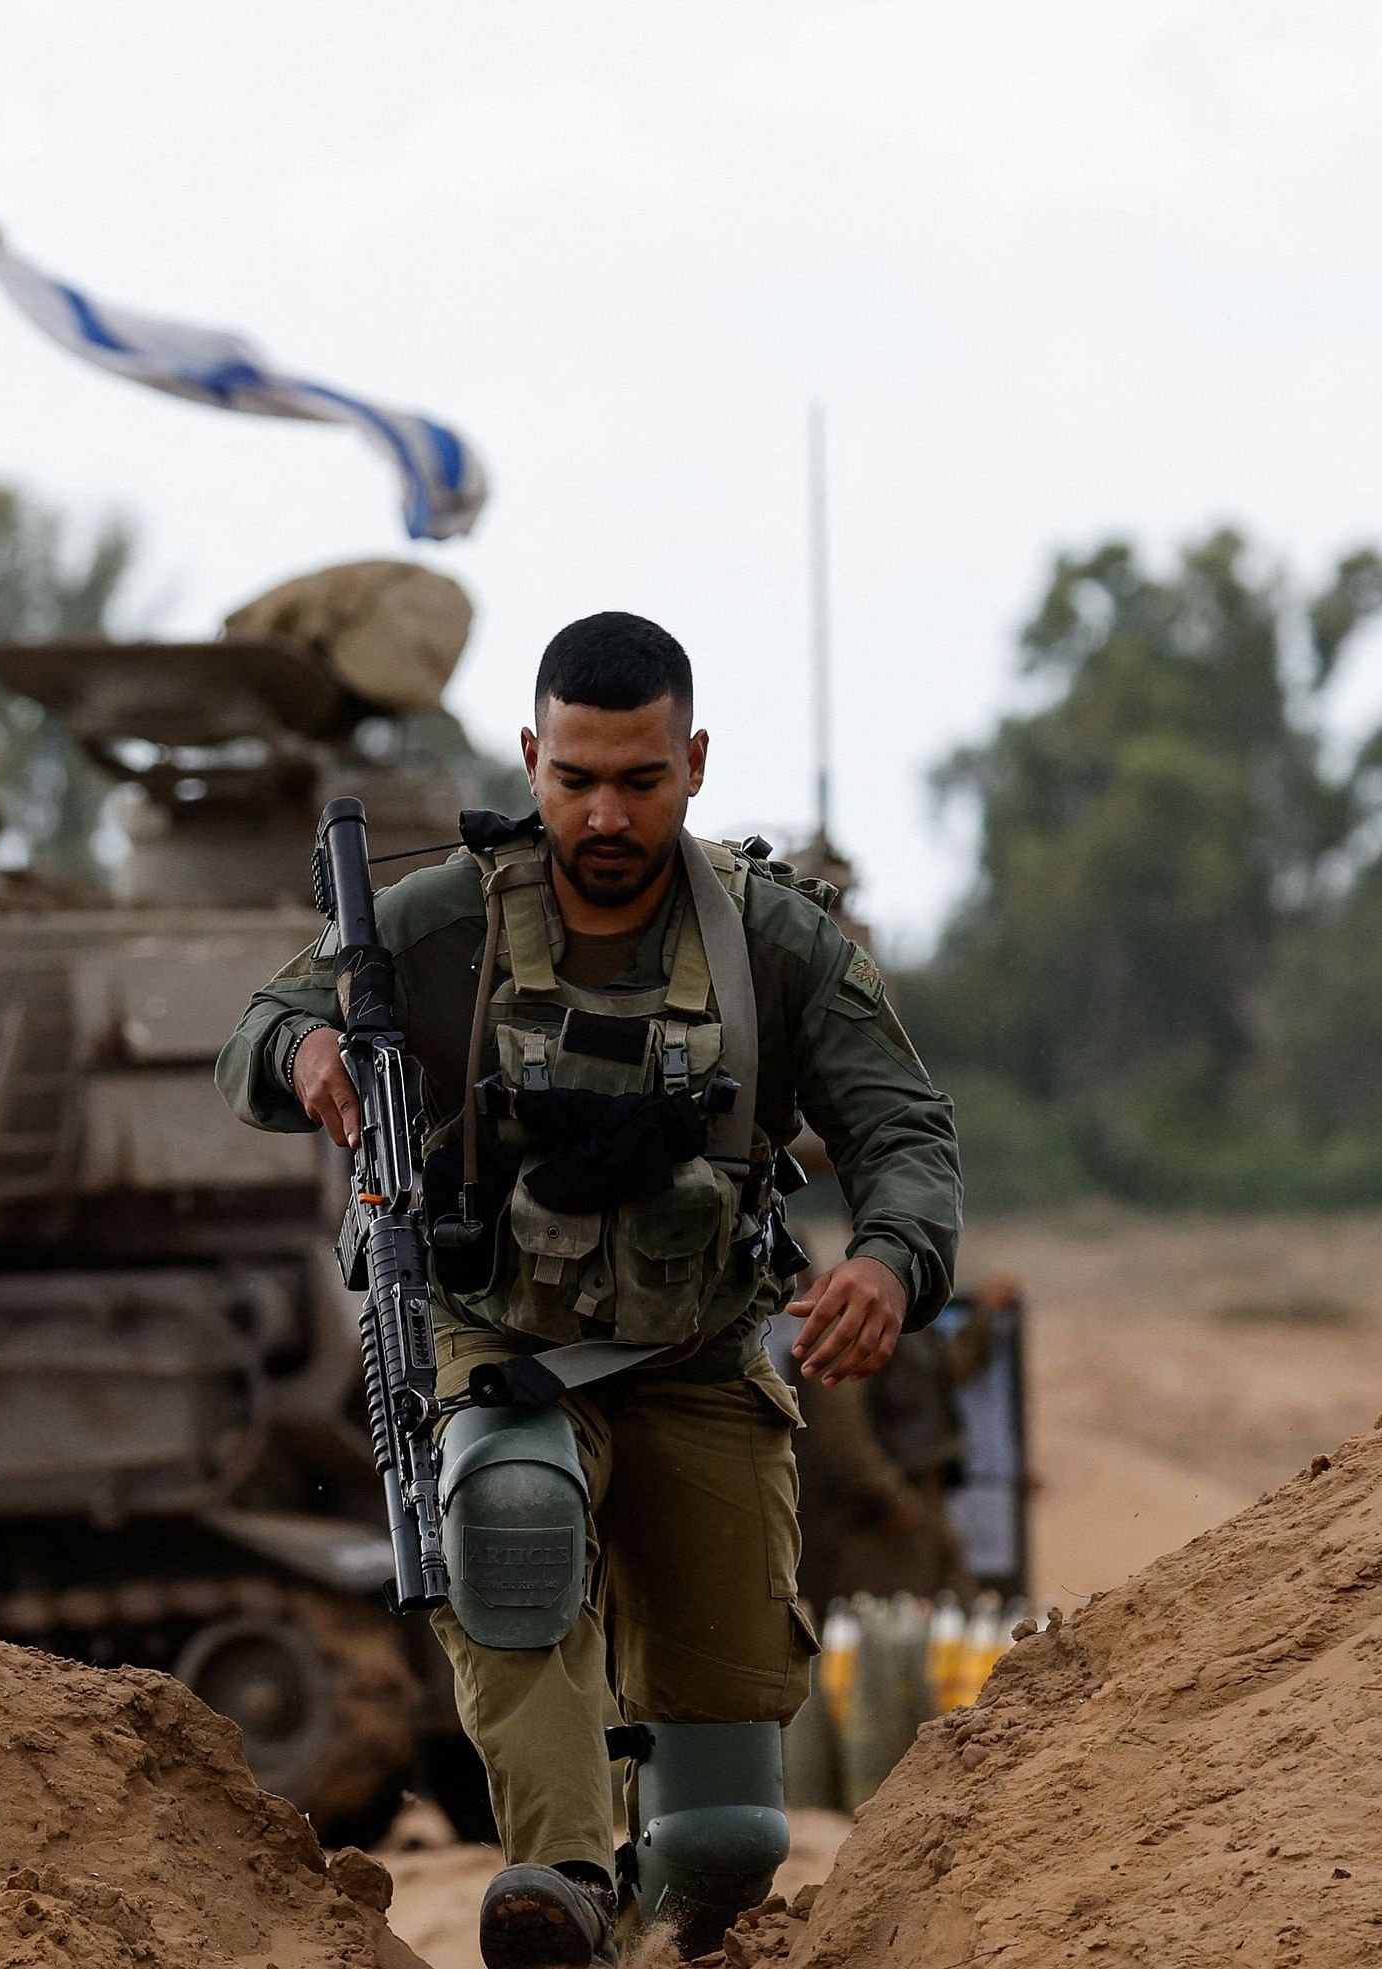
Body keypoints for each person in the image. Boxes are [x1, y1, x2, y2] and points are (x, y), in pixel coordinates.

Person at [215, 612, 961, 1965]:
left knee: (727, 1838)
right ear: (529, 758)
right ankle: (559, 1886)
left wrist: (891, 1261)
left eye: (641, 779)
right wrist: (310, 1048)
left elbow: (905, 1131)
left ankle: (681, 1911)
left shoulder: (772, 940)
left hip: (703, 1355)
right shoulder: (446, 920)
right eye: (575, 779)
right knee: (507, 1515)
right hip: (501, 1344)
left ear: (696, 764)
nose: (606, 813)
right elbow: (259, 1030)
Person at [795, 1279, 1012, 1607]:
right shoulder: (847, 1322)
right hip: (878, 1516)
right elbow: (844, 1435)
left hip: (922, 1496)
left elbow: (946, 1369)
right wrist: (890, 1496)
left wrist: (983, 1316)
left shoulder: (902, 1315)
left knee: (954, 1615)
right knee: (889, 1626)